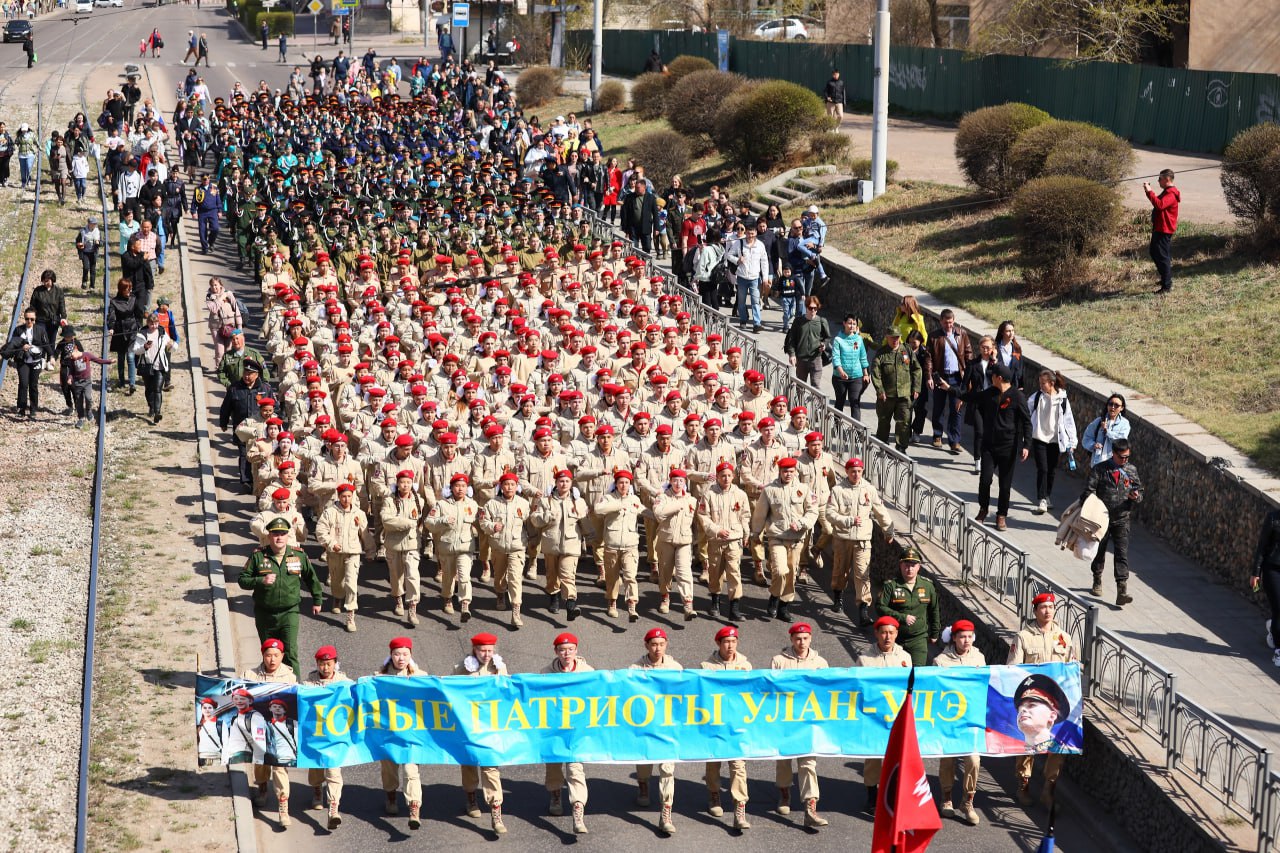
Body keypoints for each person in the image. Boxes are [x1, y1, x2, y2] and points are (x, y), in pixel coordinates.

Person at [1006, 592, 1076, 807]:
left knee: (1058, 747)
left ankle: (1048, 790)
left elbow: (1072, 667)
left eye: (1050, 607)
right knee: (1027, 745)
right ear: (1035, 610)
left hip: (1055, 702)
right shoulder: (1024, 637)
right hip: (1032, 699)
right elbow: (1013, 668)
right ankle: (1023, 786)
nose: (1047, 611)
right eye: (1043, 607)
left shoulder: (1064, 637)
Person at [237, 517, 322, 674]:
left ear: (288, 535)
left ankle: (294, 688)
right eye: (275, 534)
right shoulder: (258, 556)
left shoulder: (298, 555)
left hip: (289, 612)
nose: (279, 537)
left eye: (283, 534)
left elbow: (311, 578)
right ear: (269, 536)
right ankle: (271, 686)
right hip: (265, 613)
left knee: (290, 652)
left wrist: (317, 600)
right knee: (270, 653)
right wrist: (261, 580)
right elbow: (242, 580)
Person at [771, 623, 829, 828]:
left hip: (809, 722)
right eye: (797, 638)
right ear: (791, 640)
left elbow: (827, 692)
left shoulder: (821, 662)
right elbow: (773, 690)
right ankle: (784, 793)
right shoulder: (779, 661)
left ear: (811, 639)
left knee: (808, 764)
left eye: (805, 638)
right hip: (786, 720)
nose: (801, 642)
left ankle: (810, 807)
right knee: (784, 760)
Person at [451, 633, 509, 835]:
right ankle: (471, 798)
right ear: (474, 650)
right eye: (483, 650)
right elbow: (451, 693)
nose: (487, 654)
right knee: (468, 765)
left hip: (490, 725)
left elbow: (507, 693)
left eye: (490, 651)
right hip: (468, 725)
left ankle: (496, 812)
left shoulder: (499, 667)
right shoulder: (462, 668)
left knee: (491, 768)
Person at [826, 457, 894, 623]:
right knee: (840, 570)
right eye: (852, 471)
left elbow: (880, 510)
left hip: (862, 540)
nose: (856, 474)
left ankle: (863, 609)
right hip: (843, 538)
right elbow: (830, 513)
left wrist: (889, 530)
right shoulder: (838, 490)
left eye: (859, 471)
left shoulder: (868, 489)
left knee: (862, 574)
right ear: (847, 472)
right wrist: (847, 520)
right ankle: (838, 597)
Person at [964, 362, 1030, 531]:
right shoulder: (990, 393)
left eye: (992, 376)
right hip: (989, 446)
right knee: (985, 479)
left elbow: (1026, 422)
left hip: (1008, 447)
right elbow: (971, 397)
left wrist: (1026, 445)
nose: (990, 378)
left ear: (998, 378)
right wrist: (949, 388)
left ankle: (1001, 515)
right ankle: (983, 509)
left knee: (1005, 485)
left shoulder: (1017, 396)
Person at [751, 456, 817, 621]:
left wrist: (802, 523)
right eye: (785, 471)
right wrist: (755, 534)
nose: (788, 474)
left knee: (791, 574)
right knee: (780, 570)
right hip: (777, 537)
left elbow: (812, 511)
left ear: (795, 472)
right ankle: (774, 596)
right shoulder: (770, 490)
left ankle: (784, 606)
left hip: (796, 539)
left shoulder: (804, 489)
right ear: (780, 471)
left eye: (791, 471)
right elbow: (760, 514)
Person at [857, 615, 912, 812]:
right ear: (876, 634)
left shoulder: (905, 658)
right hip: (873, 715)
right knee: (873, 756)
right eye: (883, 633)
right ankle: (871, 794)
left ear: (896, 634)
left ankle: (894, 794)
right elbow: (859, 688)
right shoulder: (864, 658)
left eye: (891, 633)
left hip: (897, 715)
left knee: (897, 756)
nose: (887, 637)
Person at [701, 625, 752, 830]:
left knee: (738, 765)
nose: (730, 646)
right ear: (718, 644)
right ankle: (714, 794)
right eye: (726, 642)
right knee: (714, 762)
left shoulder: (746, 665)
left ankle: (740, 807)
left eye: (734, 641)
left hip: (737, 723)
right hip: (714, 721)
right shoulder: (706, 666)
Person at [241, 638, 296, 828]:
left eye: (276, 656)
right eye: (268, 655)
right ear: (263, 655)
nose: (272, 660)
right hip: (258, 729)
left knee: (280, 768)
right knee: (261, 762)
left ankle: (283, 806)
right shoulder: (250, 675)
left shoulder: (289, 676)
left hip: (280, 732)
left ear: (282, 656)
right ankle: (262, 789)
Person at [935, 619, 985, 826]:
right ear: (953, 638)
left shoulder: (979, 657)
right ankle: (946, 797)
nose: (966, 641)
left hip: (971, 718)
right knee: (948, 759)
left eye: (970, 636)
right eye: (962, 637)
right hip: (949, 719)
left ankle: (968, 801)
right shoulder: (941, 661)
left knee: (973, 760)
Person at [1081, 437, 1142, 605]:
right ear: (1113, 454)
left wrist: (1136, 497)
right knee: (1099, 551)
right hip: (1102, 519)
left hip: (1122, 519)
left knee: (1121, 554)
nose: (1124, 460)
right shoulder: (1100, 469)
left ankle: (1122, 589)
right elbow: (1088, 491)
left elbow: (1140, 491)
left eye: (1127, 457)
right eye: (1121, 457)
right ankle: (1097, 578)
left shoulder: (1131, 470)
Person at [542, 633, 593, 834]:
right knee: (553, 767)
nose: (566, 653)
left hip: (577, 730)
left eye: (570, 649)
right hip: (554, 730)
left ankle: (578, 810)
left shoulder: (588, 671)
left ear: (576, 650)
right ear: (556, 652)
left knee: (575, 769)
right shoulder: (545, 673)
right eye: (562, 650)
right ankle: (555, 795)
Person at [374, 637, 426, 829]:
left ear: (410, 655)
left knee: (411, 770)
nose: (401, 658)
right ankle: (391, 796)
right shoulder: (379, 678)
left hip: (412, 734)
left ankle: (414, 808)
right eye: (397, 654)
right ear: (391, 656)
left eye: (405, 654)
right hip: (388, 732)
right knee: (389, 769)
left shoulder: (421, 677)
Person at [695, 460, 750, 621]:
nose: (726, 479)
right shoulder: (709, 494)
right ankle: (715, 601)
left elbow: (745, 516)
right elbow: (703, 515)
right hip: (716, 540)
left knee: (734, 572)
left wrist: (746, 534)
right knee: (715, 571)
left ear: (733, 476)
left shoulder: (740, 494)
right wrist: (717, 530)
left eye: (728, 476)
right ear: (717, 477)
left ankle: (734, 606)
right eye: (722, 476)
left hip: (734, 539)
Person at [529, 468, 587, 617]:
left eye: (567, 481)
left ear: (571, 483)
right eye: (561, 481)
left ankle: (571, 604)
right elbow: (534, 520)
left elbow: (585, 522)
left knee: (568, 575)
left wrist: (591, 539)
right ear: (556, 483)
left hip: (571, 544)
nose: (564, 484)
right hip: (551, 543)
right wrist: (546, 516)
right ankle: (554, 597)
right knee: (552, 575)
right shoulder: (545, 501)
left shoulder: (578, 501)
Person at [303, 645, 348, 830]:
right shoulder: (308, 682)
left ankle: (334, 809)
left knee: (333, 771)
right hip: (315, 734)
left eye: (329, 664)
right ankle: (316, 790)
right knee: (315, 769)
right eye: (322, 664)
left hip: (335, 735)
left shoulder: (344, 682)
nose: (325, 668)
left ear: (335, 663)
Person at [478, 471, 531, 628]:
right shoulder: (491, 504)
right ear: (501, 486)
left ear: (516, 487)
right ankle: (500, 595)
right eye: (506, 484)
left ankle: (516, 611)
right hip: (498, 546)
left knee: (515, 579)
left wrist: (533, 540)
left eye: (512, 485)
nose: (509, 487)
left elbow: (529, 524)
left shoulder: (523, 504)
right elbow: (483, 523)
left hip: (517, 547)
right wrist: (492, 527)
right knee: (499, 576)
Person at [425, 472, 480, 621]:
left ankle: (465, 605)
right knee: (448, 577)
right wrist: (442, 520)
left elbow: (481, 523)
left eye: (463, 486)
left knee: (464, 576)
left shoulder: (472, 505)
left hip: (465, 547)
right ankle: (447, 599)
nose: (460, 489)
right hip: (447, 547)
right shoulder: (441, 504)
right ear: (451, 488)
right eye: (457, 486)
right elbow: (428, 523)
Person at [593, 469, 646, 620]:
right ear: (615, 484)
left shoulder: (634, 499)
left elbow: (644, 511)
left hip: (630, 546)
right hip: (612, 545)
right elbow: (598, 509)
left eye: (627, 483)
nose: (624, 485)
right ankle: (612, 603)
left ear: (630, 485)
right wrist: (618, 506)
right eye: (621, 482)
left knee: (630, 576)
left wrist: (658, 512)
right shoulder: (608, 498)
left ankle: (632, 606)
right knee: (612, 578)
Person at [875, 547, 939, 666]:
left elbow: (934, 610)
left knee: (917, 673)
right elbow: (880, 607)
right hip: (896, 638)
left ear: (919, 567)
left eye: (913, 565)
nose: (909, 568)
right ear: (900, 565)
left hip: (918, 638)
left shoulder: (927, 586)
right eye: (906, 565)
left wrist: (935, 633)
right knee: (897, 673)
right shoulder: (891, 586)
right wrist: (901, 617)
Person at [1027, 369, 1078, 514]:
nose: (1041, 385)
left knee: (1051, 470)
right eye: (1040, 383)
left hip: (1056, 441)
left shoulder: (1062, 400)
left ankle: (1047, 495)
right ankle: (1042, 499)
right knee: (1042, 469)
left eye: (1043, 383)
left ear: (1052, 383)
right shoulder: (1037, 397)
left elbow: (1069, 422)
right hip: (1039, 438)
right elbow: (1026, 411)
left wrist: (1072, 443)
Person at [652, 467, 700, 620]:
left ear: (685, 482)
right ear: (670, 482)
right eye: (675, 481)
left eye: (681, 481)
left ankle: (688, 603)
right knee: (665, 572)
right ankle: (665, 597)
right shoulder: (663, 497)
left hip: (684, 541)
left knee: (684, 572)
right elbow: (658, 514)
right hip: (666, 539)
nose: (678, 484)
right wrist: (677, 506)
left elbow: (697, 522)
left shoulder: (691, 500)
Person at [380, 470, 425, 627]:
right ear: (397, 484)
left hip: (412, 544)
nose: (405, 485)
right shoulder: (389, 501)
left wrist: (400, 521)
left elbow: (419, 520)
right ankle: (398, 598)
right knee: (396, 575)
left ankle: (412, 607)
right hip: (393, 544)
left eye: (408, 482)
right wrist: (407, 523)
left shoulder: (419, 500)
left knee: (413, 575)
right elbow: (386, 520)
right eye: (402, 482)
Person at [927, 308, 971, 453]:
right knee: (939, 407)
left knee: (956, 409)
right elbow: (929, 358)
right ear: (941, 322)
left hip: (957, 378)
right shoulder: (934, 337)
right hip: (941, 376)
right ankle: (937, 435)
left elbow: (968, 354)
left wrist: (969, 375)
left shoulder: (962, 334)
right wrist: (930, 376)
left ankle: (955, 441)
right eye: (946, 323)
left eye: (951, 323)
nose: (949, 326)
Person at [870, 328, 921, 453]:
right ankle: (882, 446)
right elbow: (876, 374)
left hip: (904, 395)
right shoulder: (881, 354)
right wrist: (880, 391)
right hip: (887, 396)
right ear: (887, 337)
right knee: (883, 421)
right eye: (893, 337)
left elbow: (916, 369)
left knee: (904, 423)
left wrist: (916, 388)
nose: (895, 340)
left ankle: (901, 449)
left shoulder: (906, 350)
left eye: (897, 337)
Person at [58, 326, 113, 429]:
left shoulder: (84, 353)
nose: (70, 356)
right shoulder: (70, 359)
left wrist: (109, 361)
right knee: (77, 399)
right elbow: (72, 371)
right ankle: (80, 418)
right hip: (76, 380)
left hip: (86, 381)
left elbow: (97, 360)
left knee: (88, 397)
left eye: (72, 354)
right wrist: (70, 378)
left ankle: (88, 410)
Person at [5, 307, 49, 418]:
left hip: (36, 361)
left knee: (33, 385)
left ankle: (33, 409)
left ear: (35, 319)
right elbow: (13, 344)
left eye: (32, 319)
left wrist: (51, 356)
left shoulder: (40, 330)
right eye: (27, 319)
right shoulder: (18, 330)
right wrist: (22, 346)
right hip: (23, 360)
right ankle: (21, 408)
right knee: (23, 384)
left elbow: (46, 344)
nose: (29, 321)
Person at [133, 311, 174, 424]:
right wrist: (144, 347)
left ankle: (157, 412)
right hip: (147, 365)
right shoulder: (142, 334)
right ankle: (151, 406)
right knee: (149, 389)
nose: (154, 326)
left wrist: (172, 346)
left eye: (156, 324)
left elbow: (169, 345)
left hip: (159, 365)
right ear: (148, 323)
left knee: (158, 389)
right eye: (152, 324)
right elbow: (136, 350)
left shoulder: (162, 332)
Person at [731, 221, 771, 334]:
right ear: (746, 233)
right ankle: (743, 319)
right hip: (742, 277)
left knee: (755, 301)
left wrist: (765, 278)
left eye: (752, 233)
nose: (750, 236)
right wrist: (737, 260)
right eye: (748, 233)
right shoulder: (739, 243)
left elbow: (764, 262)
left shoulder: (760, 245)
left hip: (754, 278)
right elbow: (728, 255)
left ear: (756, 233)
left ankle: (757, 324)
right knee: (741, 301)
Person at [1252, 508, 1280, 666]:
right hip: (1273, 569)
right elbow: (1262, 547)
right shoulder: (1273, 518)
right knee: (1279, 608)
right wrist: (1255, 573)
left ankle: (1273, 630)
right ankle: (1278, 651)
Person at [1145, 169, 1180, 294]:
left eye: (1160, 179)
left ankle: (1166, 286)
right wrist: (1148, 191)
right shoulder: (1166, 192)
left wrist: (1149, 191)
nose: (1158, 181)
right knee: (1154, 252)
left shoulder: (1171, 194)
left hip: (1164, 229)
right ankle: (1165, 278)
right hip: (1159, 227)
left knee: (1162, 256)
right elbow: (1156, 201)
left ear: (1167, 179)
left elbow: (1159, 205)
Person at [784, 295, 831, 386]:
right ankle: (801, 401)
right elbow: (791, 339)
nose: (813, 310)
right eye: (810, 308)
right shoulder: (798, 321)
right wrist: (792, 354)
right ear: (806, 307)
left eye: (815, 308)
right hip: (801, 360)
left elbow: (828, 337)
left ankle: (814, 401)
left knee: (816, 386)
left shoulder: (822, 321)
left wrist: (824, 344)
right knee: (800, 387)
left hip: (816, 359)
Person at [830, 314, 869, 420]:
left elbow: (863, 357)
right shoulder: (838, 339)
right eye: (849, 323)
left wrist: (865, 373)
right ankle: (837, 428)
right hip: (840, 378)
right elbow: (836, 358)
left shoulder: (859, 339)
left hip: (856, 377)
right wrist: (841, 371)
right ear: (844, 323)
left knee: (855, 402)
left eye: (854, 324)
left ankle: (856, 433)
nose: (851, 326)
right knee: (840, 402)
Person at [1081, 393, 1130, 467]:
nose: (1113, 407)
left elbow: (1121, 442)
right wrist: (1093, 445)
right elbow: (1086, 438)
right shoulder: (1098, 421)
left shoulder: (1124, 424)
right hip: (1097, 463)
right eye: (1111, 404)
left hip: (1115, 464)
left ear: (1122, 408)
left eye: (1116, 405)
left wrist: (1107, 431)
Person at [30, 269, 66, 352]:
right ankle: (41, 357)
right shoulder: (38, 291)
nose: (46, 283)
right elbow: (32, 305)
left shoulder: (58, 291)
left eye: (47, 281)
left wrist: (63, 317)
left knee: (52, 340)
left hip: (54, 320)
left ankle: (50, 358)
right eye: (44, 281)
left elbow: (62, 305)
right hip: (40, 319)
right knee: (42, 339)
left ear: (52, 280)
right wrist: (33, 317)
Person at [190, 173, 221, 253]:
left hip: (212, 211)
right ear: (201, 180)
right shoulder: (198, 189)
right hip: (202, 212)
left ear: (209, 179)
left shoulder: (214, 187)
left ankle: (211, 242)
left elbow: (218, 200)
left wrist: (220, 210)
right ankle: (205, 248)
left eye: (207, 179)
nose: (206, 181)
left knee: (215, 228)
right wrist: (193, 211)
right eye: (204, 179)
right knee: (202, 230)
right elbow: (194, 202)